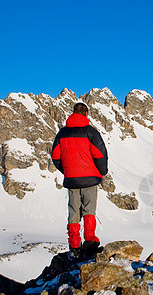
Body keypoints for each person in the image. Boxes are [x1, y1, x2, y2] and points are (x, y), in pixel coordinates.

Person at [51, 102, 108, 258]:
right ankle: (90, 242)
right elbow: (100, 154)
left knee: (73, 212)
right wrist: (102, 171)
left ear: (73, 113)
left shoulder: (62, 134)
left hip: (72, 179)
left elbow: (55, 156)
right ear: (86, 113)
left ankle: (74, 246)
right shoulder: (90, 132)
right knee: (89, 210)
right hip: (90, 178)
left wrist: (66, 170)